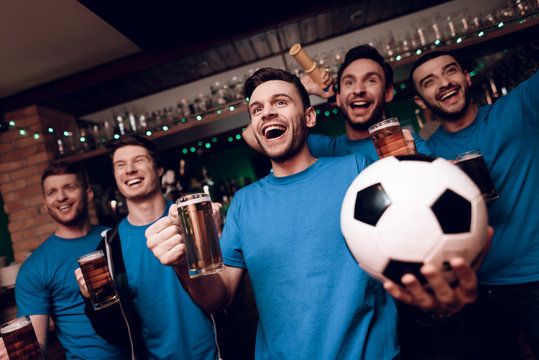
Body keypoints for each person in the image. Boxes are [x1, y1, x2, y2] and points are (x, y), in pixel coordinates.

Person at [146, 68, 488, 359]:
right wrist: (181, 265)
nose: (267, 113)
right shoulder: (244, 203)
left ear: (309, 116)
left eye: (281, 103)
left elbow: (417, 232)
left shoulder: (359, 172)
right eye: (257, 109)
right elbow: (217, 298)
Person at [409, 50, 539, 359]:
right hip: (475, 292)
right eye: (429, 81)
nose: (444, 83)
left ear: (466, 76)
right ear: (420, 101)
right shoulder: (427, 153)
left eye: (450, 71)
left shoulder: (519, 107)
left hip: (535, 279)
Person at [75, 135, 220, 359]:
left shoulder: (193, 218)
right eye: (120, 165)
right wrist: (92, 299)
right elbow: (113, 334)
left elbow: (227, 288)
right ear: (115, 176)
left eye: (139, 160)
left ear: (159, 168)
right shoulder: (109, 249)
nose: (130, 170)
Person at [14, 161, 129, 359]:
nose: (61, 197)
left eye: (70, 187)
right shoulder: (34, 267)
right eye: (52, 192)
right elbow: (37, 343)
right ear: (45, 204)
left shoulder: (117, 239)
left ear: (88, 194)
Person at [243, 44, 432, 161]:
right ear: (338, 98)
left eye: (371, 80)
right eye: (349, 82)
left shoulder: (411, 144)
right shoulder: (322, 147)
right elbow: (252, 135)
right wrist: (299, 89)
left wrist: (416, 162)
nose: (358, 90)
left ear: (389, 93)